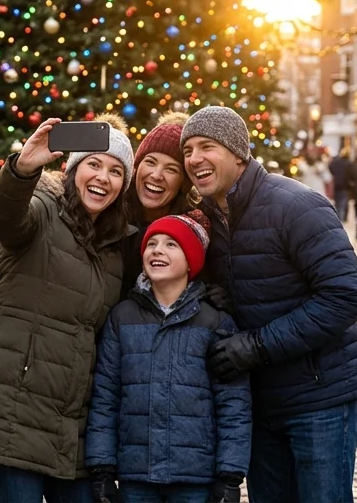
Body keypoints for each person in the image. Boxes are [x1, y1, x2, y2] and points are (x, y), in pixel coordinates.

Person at [181, 106, 357, 503]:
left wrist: (258, 346)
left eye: (206, 146)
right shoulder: (209, 219)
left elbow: (345, 295)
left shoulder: (297, 205)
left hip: (319, 398)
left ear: (238, 154)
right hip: (260, 402)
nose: (194, 158)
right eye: (188, 151)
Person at [0, 116, 135, 502]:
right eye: (93, 164)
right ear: (73, 169)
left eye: (116, 171)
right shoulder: (45, 207)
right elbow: (5, 219)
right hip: (11, 410)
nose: (103, 178)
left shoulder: (116, 246)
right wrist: (22, 169)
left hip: (69, 426)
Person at [86, 212, 250, 503]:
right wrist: (101, 468)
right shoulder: (122, 318)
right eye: (152, 244)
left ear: (191, 262)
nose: (157, 250)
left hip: (195, 477)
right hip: (136, 474)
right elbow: (105, 398)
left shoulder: (214, 322)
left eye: (171, 244)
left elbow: (233, 404)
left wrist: (230, 474)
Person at [0, 112, 196, 302]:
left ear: (183, 182)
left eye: (171, 169)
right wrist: (3, 275)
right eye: (150, 162)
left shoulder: (191, 226)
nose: (156, 175)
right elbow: (11, 223)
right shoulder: (98, 212)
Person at [328, 146, 355, 222]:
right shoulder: (348, 163)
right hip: (344, 186)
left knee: (338, 203)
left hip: (337, 185)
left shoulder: (336, 162)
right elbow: (351, 174)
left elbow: (330, 167)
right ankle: (340, 220)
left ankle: (338, 218)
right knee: (342, 204)